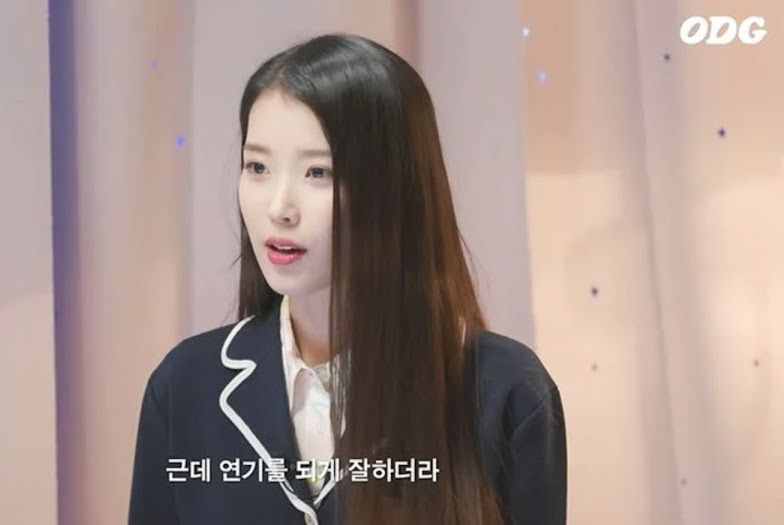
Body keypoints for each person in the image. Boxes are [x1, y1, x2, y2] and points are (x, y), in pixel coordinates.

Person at [129, 33, 566, 525]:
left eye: (318, 173)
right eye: (258, 167)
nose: (279, 207)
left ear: (396, 188)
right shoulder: (187, 384)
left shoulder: (504, 390)